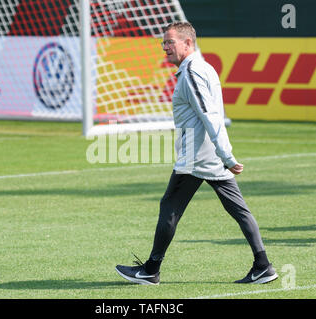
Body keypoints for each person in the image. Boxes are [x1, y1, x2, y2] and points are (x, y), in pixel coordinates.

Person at [115, 21, 278, 285]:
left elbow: (210, 116)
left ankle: (150, 270)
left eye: (170, 42)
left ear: (188, 43)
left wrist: (227, 155)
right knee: (238, 210)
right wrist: (223, 155)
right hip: (209, 155)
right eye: (163, 43)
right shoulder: (203, 68)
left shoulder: (191, 72)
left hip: (196, 158)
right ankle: (263, 265)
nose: (165, 47)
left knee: (170, 208)